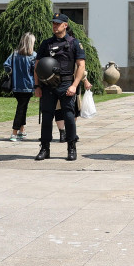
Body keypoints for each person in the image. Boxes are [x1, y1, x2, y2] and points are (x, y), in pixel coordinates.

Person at [33, 13, 86, 161]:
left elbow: (81, 65)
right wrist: (37, 86)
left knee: (69, 116)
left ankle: (71, 148)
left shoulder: (74, 43)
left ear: (65, 25)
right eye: (53, 23)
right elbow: (37, 66)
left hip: (66, 84)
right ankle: (44, 148)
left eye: (58, 23)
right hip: (47, 86)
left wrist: (74, 85)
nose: (55, 26)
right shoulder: (46, 43)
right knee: (47, 117)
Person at [4, 32, 36, 141]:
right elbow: (35, 71)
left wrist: (13, 70)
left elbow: (6, 65)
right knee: (21, 109)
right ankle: (14, 132)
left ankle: (22, 131)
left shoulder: (14, 54)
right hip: (28, 86)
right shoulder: (33, 55)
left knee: (23, 107)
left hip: (16, 86)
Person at [53, 75, 92, 142]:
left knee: (59, 107)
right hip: (72, 82)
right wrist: (85, 80)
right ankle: (71, 133)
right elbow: (80, 68)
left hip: (57, 82)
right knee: (72, 108)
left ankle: (62, 133)